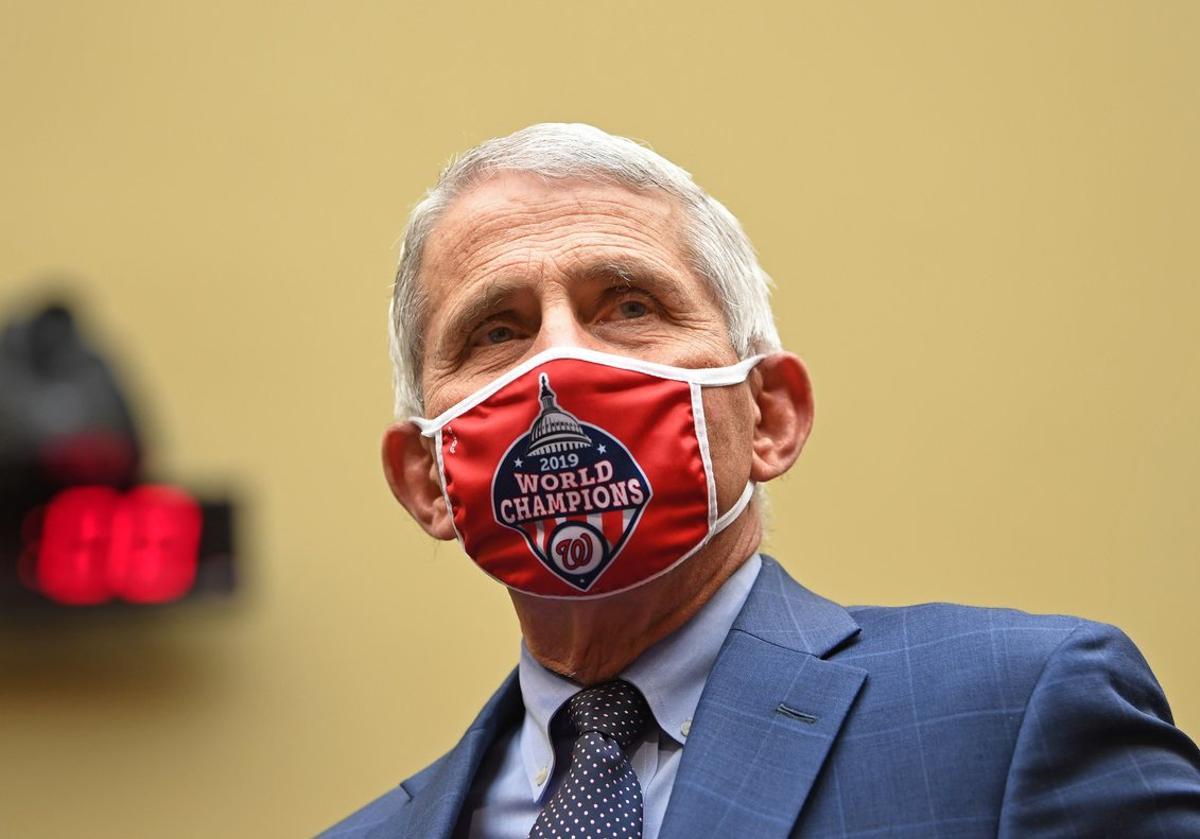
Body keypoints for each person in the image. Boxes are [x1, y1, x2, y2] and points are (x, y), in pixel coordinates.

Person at [320, 123, 1200, 838]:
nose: (561, 359)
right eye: (496, 331)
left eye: (629, 307)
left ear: (770, 414)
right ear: (427, 477)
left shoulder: (1012, 716)